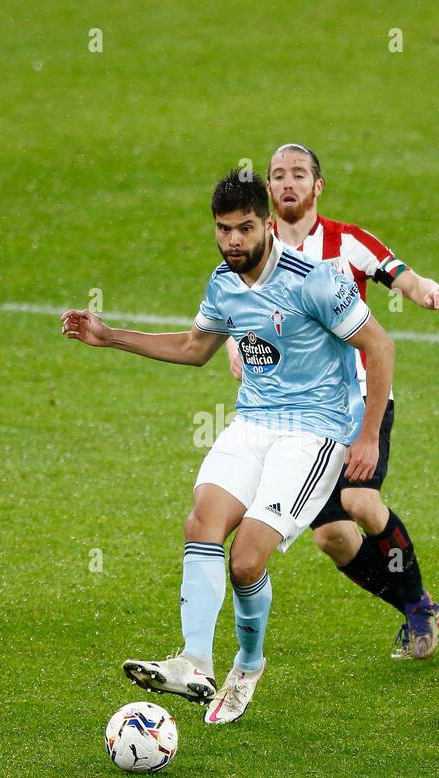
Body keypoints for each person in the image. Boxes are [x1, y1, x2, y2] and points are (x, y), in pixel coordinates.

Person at [61, 170, 395, 724]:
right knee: (201, 523)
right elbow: (196, 348)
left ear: (267, 224)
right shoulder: (223, 282)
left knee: (246, 562)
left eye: (244, 228)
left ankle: (248, 662)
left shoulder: (315, 280)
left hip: (313, 432)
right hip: (252, 424)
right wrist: (110, 335)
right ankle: (194, 661)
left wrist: (367, 436)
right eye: (224, 229)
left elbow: (380, 346)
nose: (234, 240)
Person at [227, 143, 439, 659]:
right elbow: (233, 309)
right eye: (279, 175)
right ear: (267, 187)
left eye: (299, 175)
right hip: (301, 413)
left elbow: (403, 277)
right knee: (331, 537)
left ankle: (418, 604)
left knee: (360, 501)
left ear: (317, 186)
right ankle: (416, 605)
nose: (288, 183)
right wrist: (235, 348)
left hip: (359, 399)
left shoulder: (347, 242)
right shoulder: (254, 251)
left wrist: (428, 292)